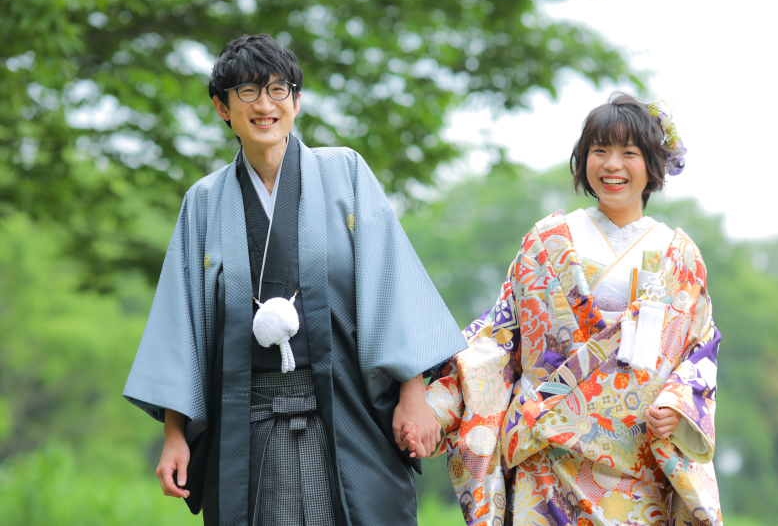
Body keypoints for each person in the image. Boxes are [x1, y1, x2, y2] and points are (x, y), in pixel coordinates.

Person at [123, 34, 465, 526]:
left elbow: (391, 284)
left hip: (347, 412)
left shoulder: (345, 172)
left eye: (278, 90)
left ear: (297, 101)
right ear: (222, 108)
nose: (265, 105)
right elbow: (184, 324)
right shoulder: (203, 201)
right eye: (247, 92)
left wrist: (413, 395)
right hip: (248, 423)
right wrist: (174, 434)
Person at [402, 93, 722, 525]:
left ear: (653, 165)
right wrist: (433, 407)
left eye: (629, 153)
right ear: (583, 160)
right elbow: (498, 340)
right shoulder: (548, 239)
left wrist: (681, 408)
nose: (612, 165)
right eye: (599, 150)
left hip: (633, 469)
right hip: (544, 457)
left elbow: (699, 349)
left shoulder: (679, 256)